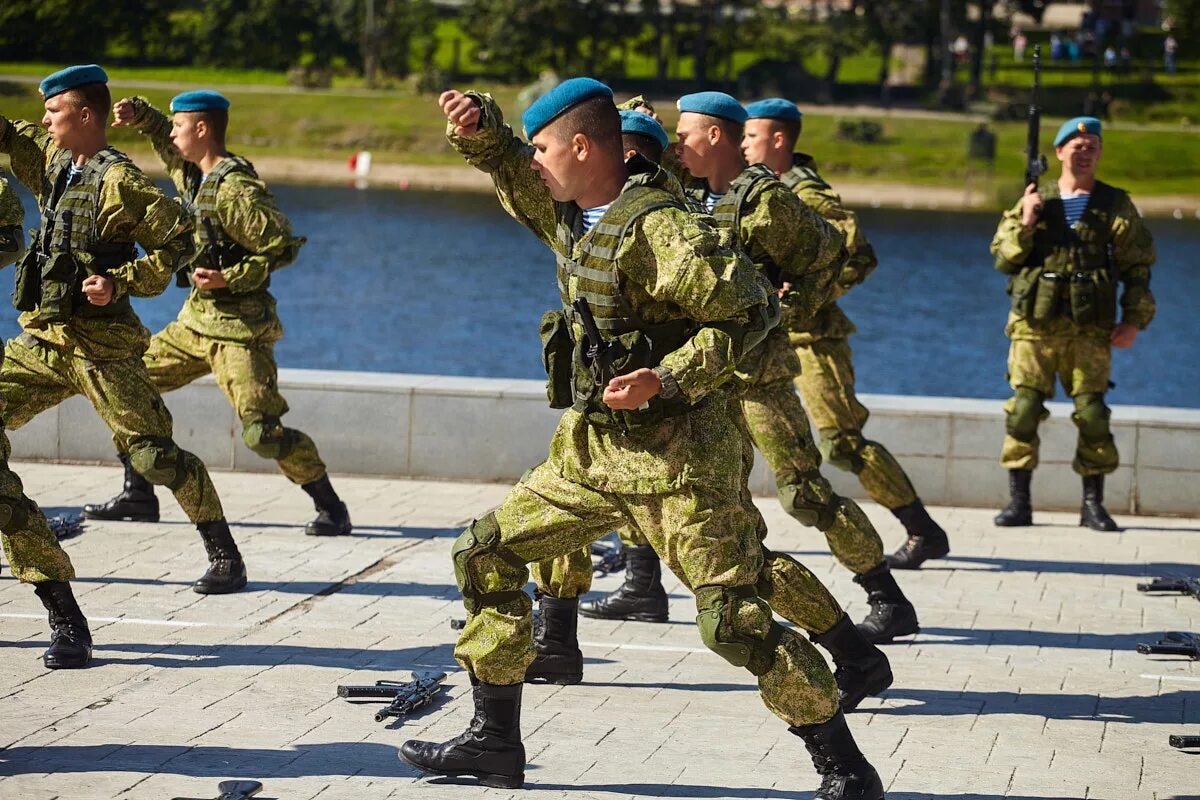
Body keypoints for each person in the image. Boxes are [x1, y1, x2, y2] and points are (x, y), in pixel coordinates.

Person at [400, 78, 886, 800]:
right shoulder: (568, 212)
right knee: (484, 552)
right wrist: (477, 127)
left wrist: (666, 376)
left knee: (735, 625)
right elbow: (507, 165)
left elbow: (750, 316)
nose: (533, 161)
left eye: (543, 147)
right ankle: (495, 742)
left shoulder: (662, 230)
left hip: (683, 463)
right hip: (592, 455)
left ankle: (844, 768)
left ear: (582, 147)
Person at [528, 107, 895, 719]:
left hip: (699, 407)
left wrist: (791, 300)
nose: (664, 154)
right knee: (553, 519)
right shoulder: (630, 208)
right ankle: (560, 636)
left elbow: (829, 259)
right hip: (627, 410)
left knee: (747, 560)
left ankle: (859, 648)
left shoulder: (673, 217)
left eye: (654, 150)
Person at [0, 65, 247, 595]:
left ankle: (223, 551)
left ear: (84, 114)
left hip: (103, 347)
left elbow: (180, 240)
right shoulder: (51, 157)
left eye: (53, 109)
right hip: (44, 339)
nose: (44, 117)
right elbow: (7, 133)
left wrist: (120, 281)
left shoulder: (121, 182)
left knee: (153, 456)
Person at [80, 91, 351, 537]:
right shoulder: (193, 176)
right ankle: (138, 493)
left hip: (240, 330)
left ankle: (331, 508)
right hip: (195, 322)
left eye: (179, 125)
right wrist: (142, 116)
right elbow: (166, 145)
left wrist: (231, 277)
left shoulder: (235, 189)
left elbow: (281, 246)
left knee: (262, 434)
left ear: (202, 130)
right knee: (124, 386)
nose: (172, 133)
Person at [741, 98, 951, 569]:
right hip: (764, 341)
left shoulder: (806, 194)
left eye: (750, 137)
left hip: (812, 338)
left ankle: (922, 530)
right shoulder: (749, 188)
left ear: (778, 139)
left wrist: (810, 293)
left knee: (841, 442)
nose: (743, 145)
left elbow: (858, 256)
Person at [991, 116, 1155, 531]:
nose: (1085, 152)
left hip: (1090, 329)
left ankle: (1092, 505)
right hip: (1034, 327)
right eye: (1076, 145)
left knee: (1092, 414)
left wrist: (1134, 320)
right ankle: (1019, 502)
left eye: (1093, 145)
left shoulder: (1114, 204)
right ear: (1060, 151)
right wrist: (1027, 222)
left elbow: (1138, 267)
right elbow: (1002, 258)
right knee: (1024, 410)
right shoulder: (1035, 198)